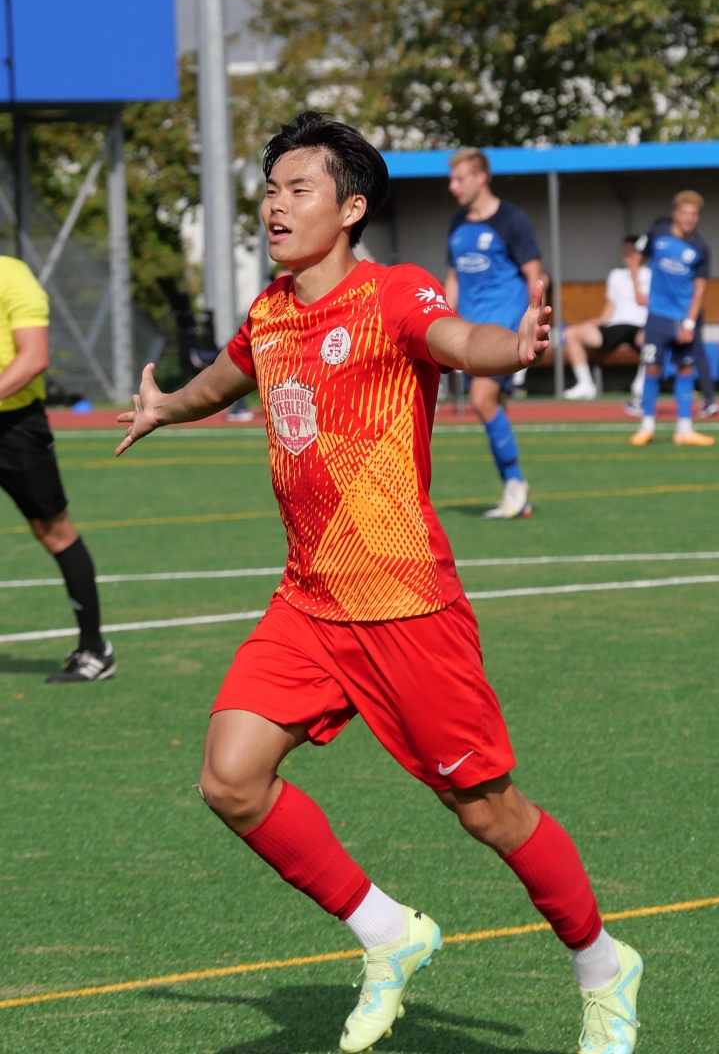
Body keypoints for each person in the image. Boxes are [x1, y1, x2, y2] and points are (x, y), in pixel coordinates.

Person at [116, 112, 642, 1054]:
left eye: (298, 189)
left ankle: (603, 964)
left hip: (406, 605)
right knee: (230, 780)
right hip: (307, 604)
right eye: (270, 190)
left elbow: (456, 337)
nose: (275, 205)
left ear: (350, 208)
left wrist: (511, 347)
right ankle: (388, 934)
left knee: (486, 810)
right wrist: (166, 407)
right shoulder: (271, 311)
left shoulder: (391, 293)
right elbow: (226, 378)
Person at [0, 256, 115, 681]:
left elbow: (33, 357)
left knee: (54, 532)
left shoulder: (12, 276)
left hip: (13, 426)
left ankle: (94, 651)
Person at [444, 148, 547, 519]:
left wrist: (532, 324)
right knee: (492, 405)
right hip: (470, 334)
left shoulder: (512, 220)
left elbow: (535, 273)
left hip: (504, 331)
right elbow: (454, 277)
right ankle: (516, 489)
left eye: (459, 178)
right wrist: (441, 317)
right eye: (451, 178)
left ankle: (516, 486)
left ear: (481, 177)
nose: (452, 186)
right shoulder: (457, 224)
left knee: (481, 399)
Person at [629, 191, 715, 446]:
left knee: (685, 369)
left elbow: (700, 290)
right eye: (684, 213)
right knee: (652, 367)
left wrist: (689, 323)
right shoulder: (658, 233)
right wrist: (637, 289)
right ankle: (647, 426)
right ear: (676, 213)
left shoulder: (700, 249)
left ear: (698, 217)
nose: (689, 219)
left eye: (694, 215)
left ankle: (684, 429)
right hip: (657, 316)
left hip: (683, 319)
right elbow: (635, 257)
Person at [563, 236, 650, 400]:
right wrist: (600, 320)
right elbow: (611, 303)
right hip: (616, 326)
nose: (627, 254)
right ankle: (585, 384)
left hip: (641, 325)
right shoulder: (616, 275)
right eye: (624, 250)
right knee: (571, 332)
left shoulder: (650, 274)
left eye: (631, 251)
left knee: (653, 337)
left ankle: (642, 384)